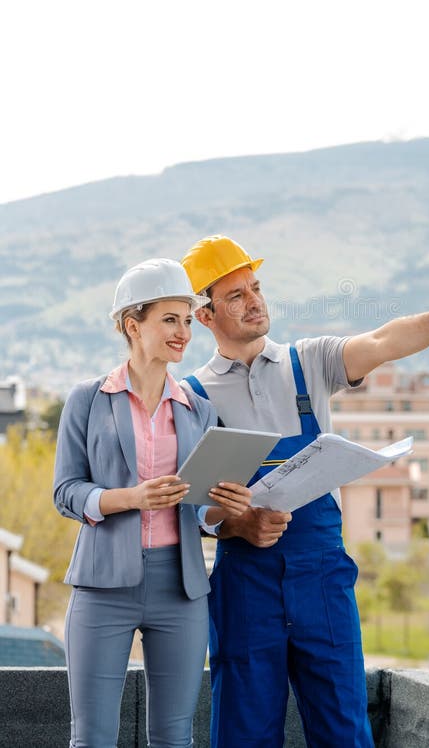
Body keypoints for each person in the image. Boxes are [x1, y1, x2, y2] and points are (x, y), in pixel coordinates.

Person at [180, 235, 429, 748]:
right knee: (243, 732)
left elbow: (382, 341)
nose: (255, 301)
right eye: (236, 295)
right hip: (246, 583)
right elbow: (191, 504)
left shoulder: (310, 363)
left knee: (344, 729)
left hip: (322, 576)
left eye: (256, 287)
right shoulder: (191, 397)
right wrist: (237, 522)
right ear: (205, 315)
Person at [53, 257, 252, 748]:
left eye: (187, 320)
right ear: (131, 325)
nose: (183, 332)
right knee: (93, 738)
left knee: (174, 737)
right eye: (169, 319)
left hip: (180, 589)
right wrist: (130, 498)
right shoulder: (87, 400)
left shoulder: (200, 410)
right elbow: (66, 492)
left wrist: (226, 506)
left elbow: (202, 514)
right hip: (102, 584)